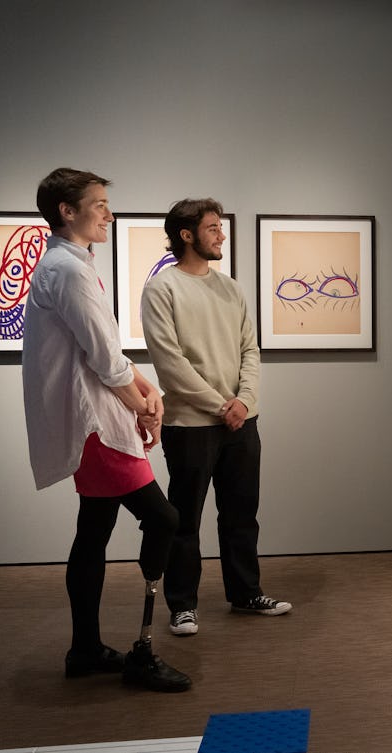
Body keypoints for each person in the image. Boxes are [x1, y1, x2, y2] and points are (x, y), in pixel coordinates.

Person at [21, 168, 191, 692]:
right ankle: (141, 648)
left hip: (97, 415)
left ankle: (86, 648)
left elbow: (107, 349)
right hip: (95, 424)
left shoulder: (70, 266)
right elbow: (102, 359)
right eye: (98, 204)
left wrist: (149, 393)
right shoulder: (67, 272)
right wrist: (141, 405)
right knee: (163, 519)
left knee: (92, 533)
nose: (109, 214)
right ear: (67, 211)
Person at [141, 198, 291, 637]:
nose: (221, 234)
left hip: (242, 423)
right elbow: (170, 364)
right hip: (190, 426)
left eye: (219, 227)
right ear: (186, 235)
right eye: (212, 228)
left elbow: (250, 349)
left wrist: (243, 401)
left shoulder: (232, 288)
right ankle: (182, 606)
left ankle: (245, 593)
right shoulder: (161, 289)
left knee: (242, 514)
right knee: (184, 519)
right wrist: (221, 405)